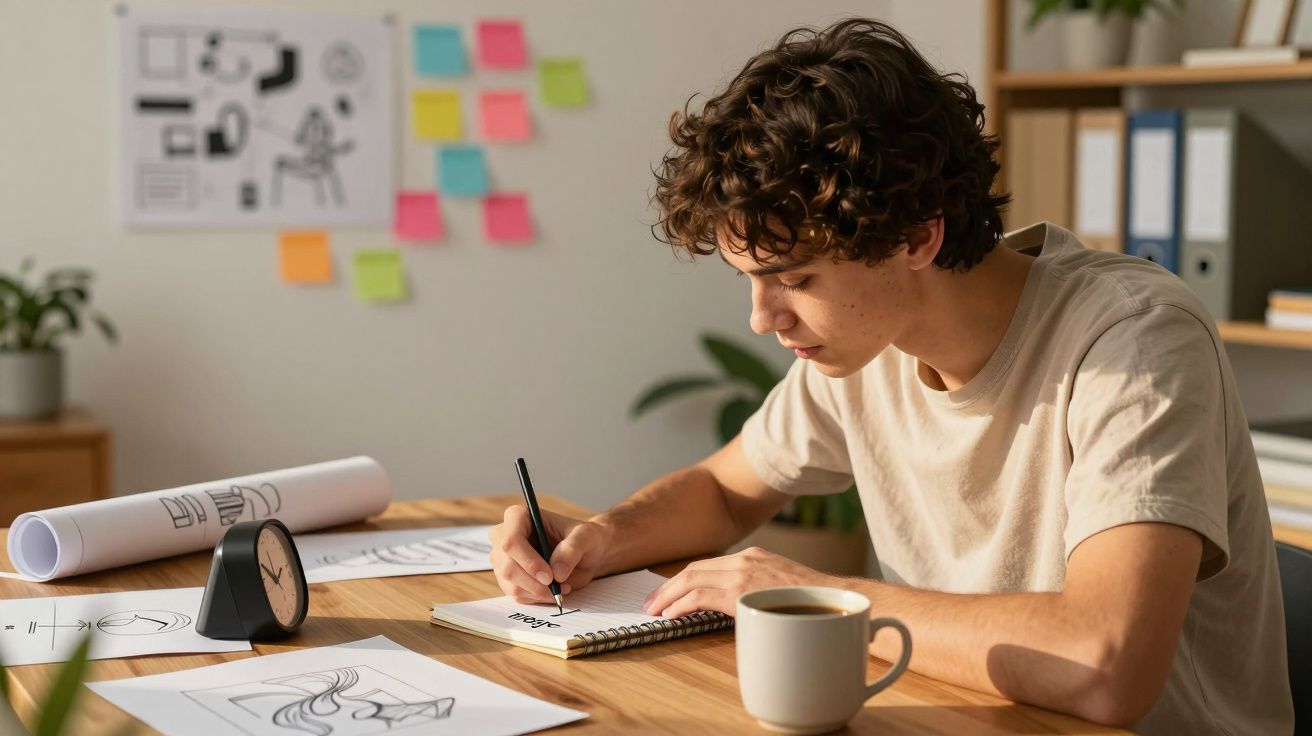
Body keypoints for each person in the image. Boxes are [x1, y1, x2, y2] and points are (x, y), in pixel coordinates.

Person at [488, 18, 1292, 733]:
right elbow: (729, 490)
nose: (763, 320)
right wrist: (599, 538)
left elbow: (1107, 665)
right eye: (750, 280)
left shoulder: (1132, 342)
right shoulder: (869, 346)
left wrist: (817, 600)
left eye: (795, 280)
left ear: (915, 236)